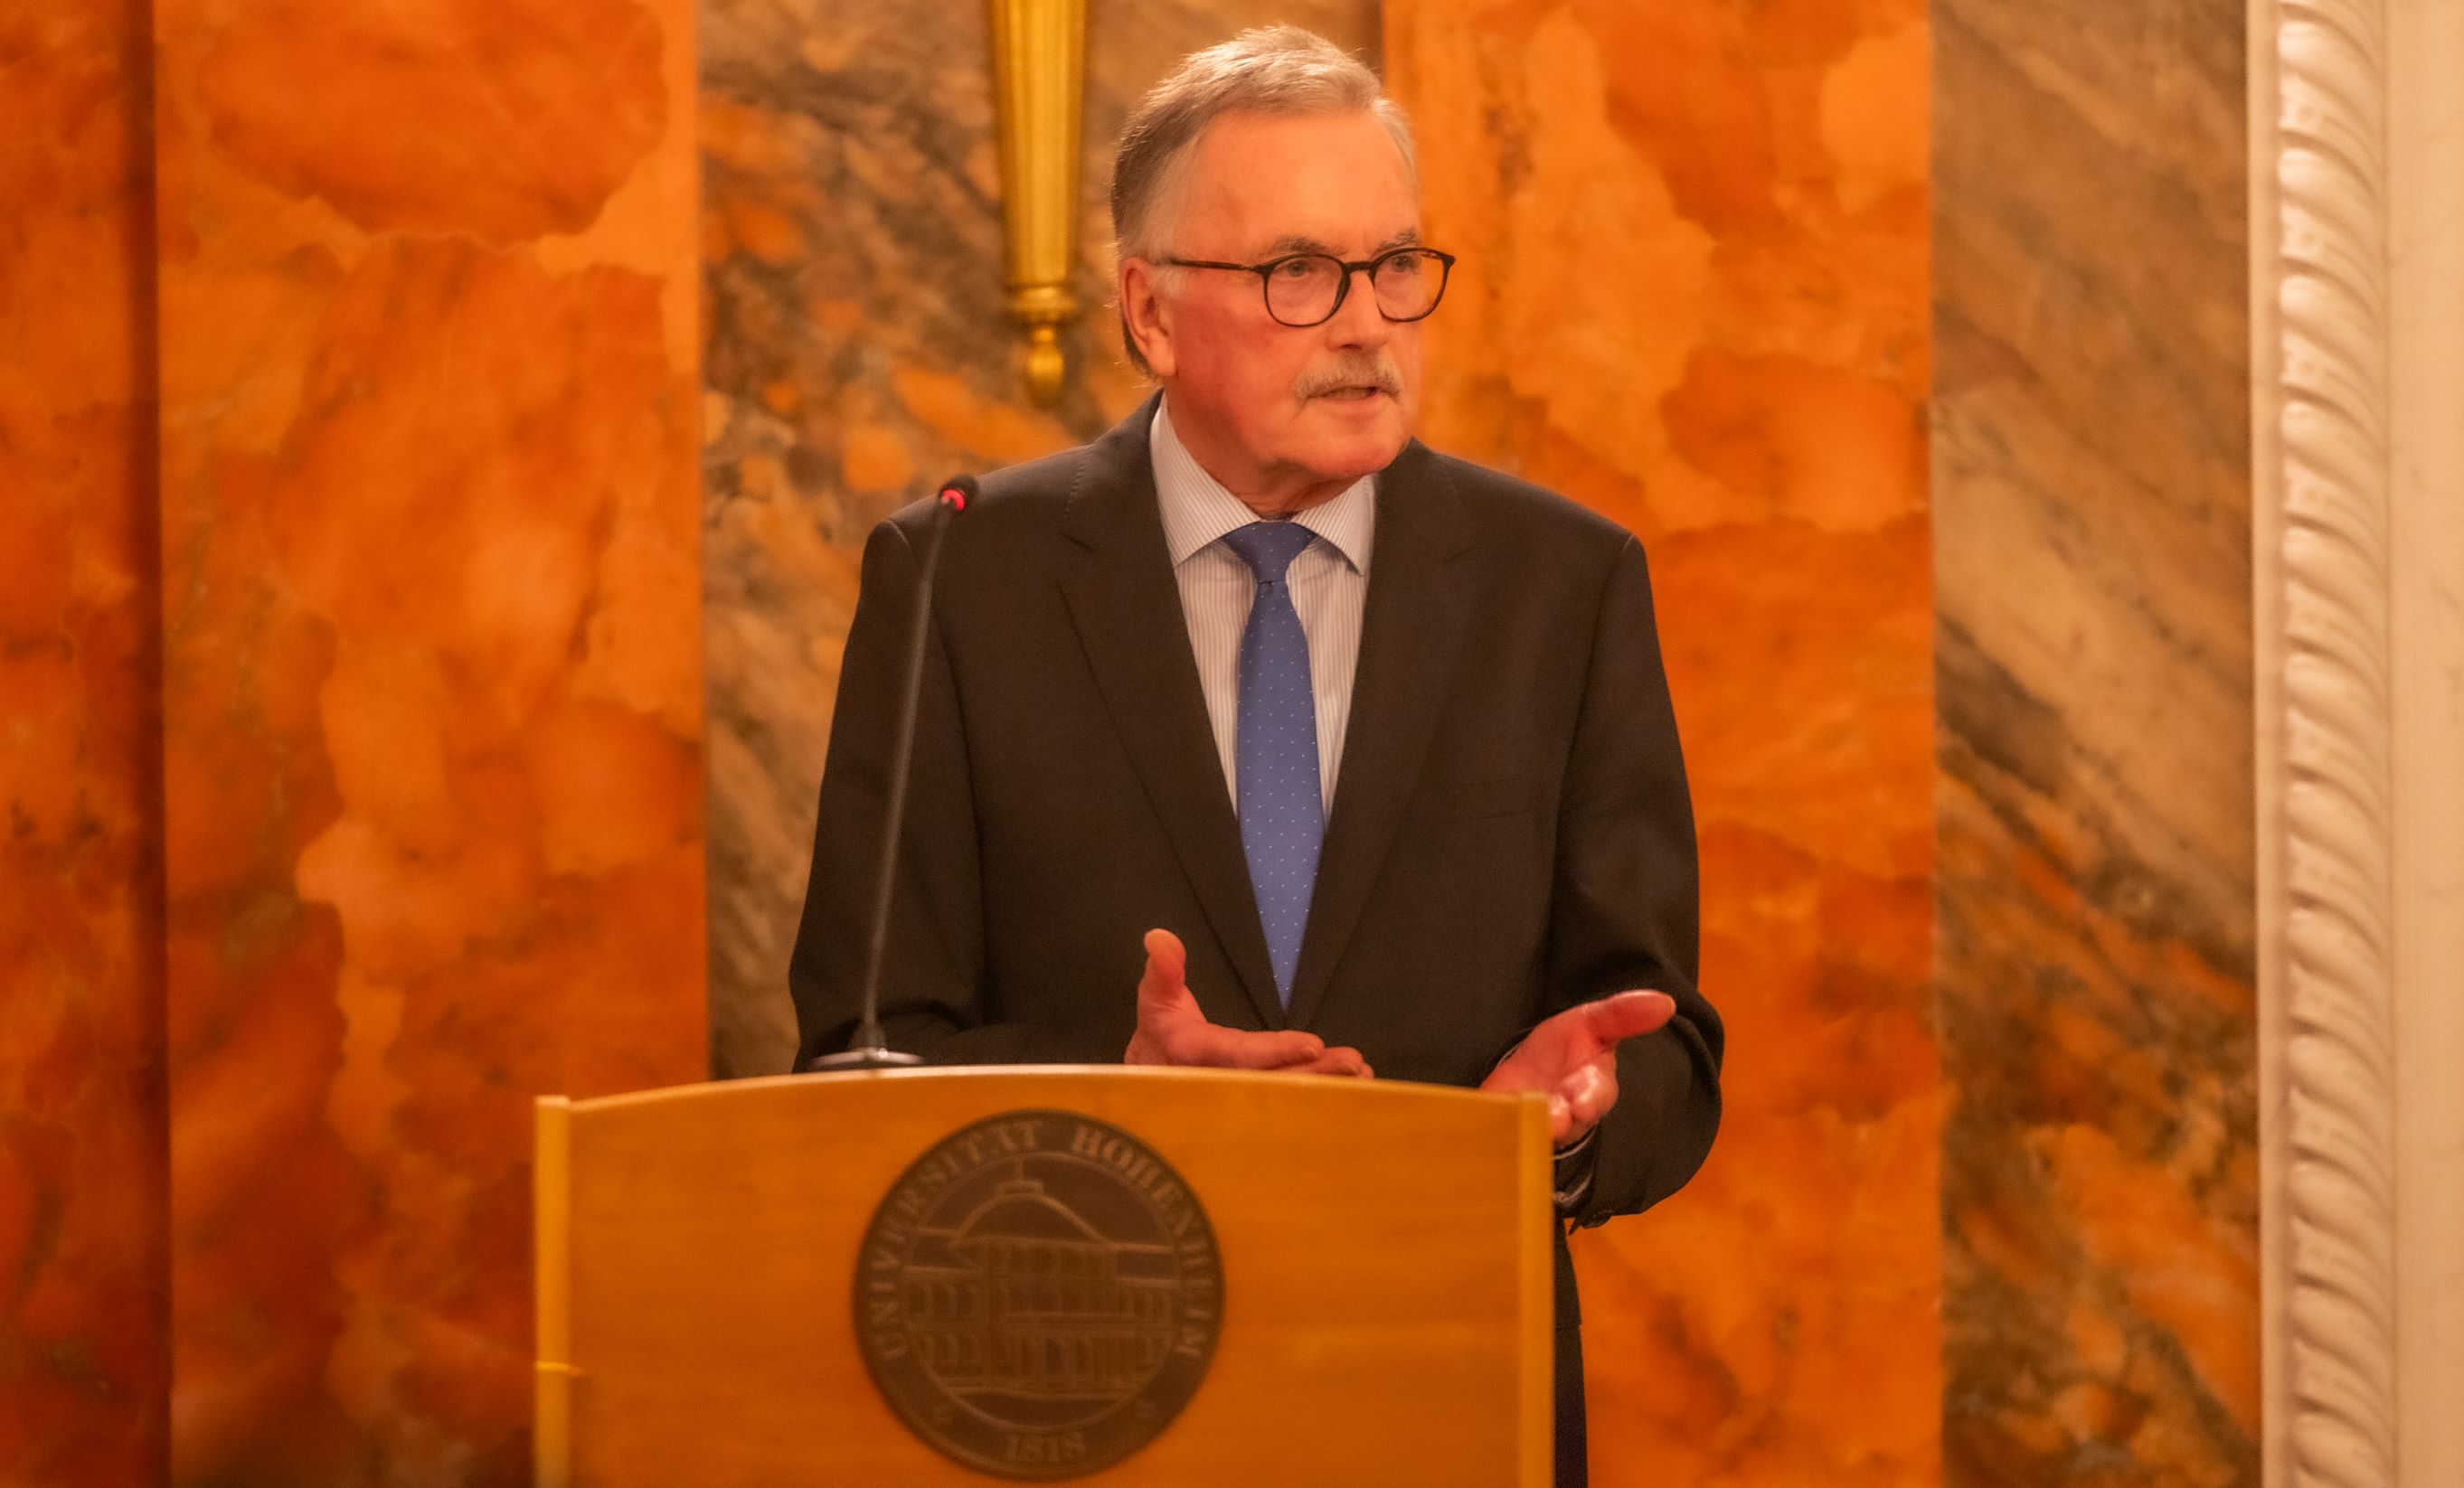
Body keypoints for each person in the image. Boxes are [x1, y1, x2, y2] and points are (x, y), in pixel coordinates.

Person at [790, 26, 1722, 1486]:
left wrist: (1564, 1122)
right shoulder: (962, 579)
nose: (1365, 324)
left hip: (1441, 1396)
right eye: (1298, 271)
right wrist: (1117, 1083)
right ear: (1149, 311)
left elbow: (1664, 1039)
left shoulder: (1560, 584)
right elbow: (857, 1052)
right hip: (1075, 1403)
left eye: (1393, 265)